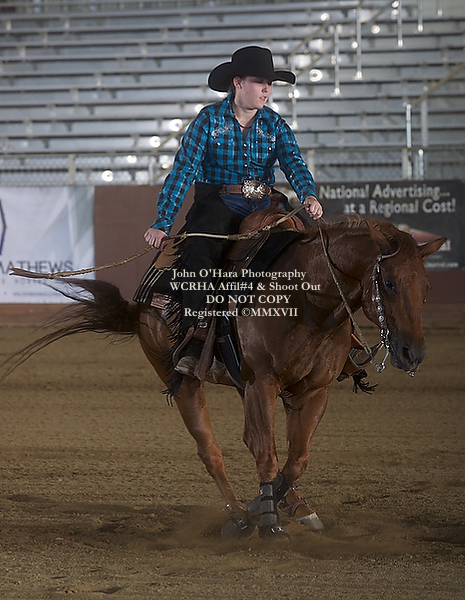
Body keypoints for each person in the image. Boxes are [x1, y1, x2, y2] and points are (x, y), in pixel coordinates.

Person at [137, 46, 323, 377]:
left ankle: (324, 333)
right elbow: (183, 172)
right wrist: (163, 222)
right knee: (199, 251)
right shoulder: (208, 120)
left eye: (270, 84)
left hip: (265, 202)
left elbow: (293, 161)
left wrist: (307, 193)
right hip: (217, 201)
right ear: (238, 83)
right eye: (260, 82)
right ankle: (196, 333)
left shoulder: (274, 124)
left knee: (304, 248)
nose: (266, 89)